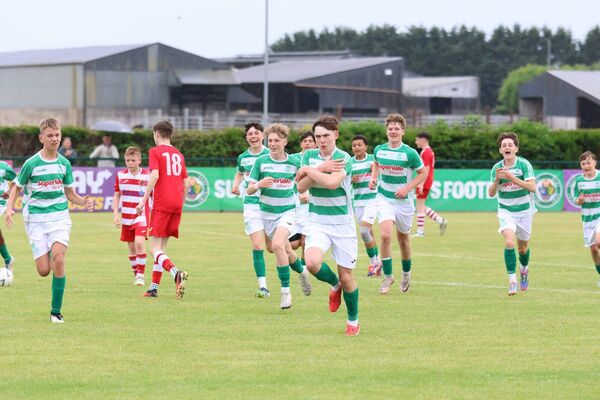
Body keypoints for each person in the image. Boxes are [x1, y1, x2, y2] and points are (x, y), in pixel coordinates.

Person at [5, 118, 94, 323]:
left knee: (59, 260)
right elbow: (16, 187)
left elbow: (70, 194)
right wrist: (10, 208)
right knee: (44, 270)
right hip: (35, 220)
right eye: (50, 135)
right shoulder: (32, 163)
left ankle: (56, 312)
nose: (55, 139)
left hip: (59, 218)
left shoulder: (64, 164)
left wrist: (83, 201)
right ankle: (54, 268)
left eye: (57, 135)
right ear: (41, 138)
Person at [296, 115, 360, 336]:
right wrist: (320, 168)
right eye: (318, 136)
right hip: (317, 221)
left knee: (347, 277)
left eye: (326, 136)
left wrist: (312, 171)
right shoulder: (309, 156)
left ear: (336, 135)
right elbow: (300, 187)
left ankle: (353, 321)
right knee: (312, 263)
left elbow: (332, 184)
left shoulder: (344, 158)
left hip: (343, 225)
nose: (321, 140)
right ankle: (334, 286)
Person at [246, 123, 312, 309]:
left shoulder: (294, 163)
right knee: (286, 251)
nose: (273, 143)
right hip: (266, 214)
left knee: (277, 246)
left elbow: (308, 179)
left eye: (277, 140)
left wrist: (306, 193)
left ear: (285, 141)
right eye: (270, 140)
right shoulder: (261, 162)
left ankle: (285, 292)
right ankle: (303, 271)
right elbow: (249, 190)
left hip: (288, 212)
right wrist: (259, 184)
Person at [370, 114, 427, 295]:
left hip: (404, 202)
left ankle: (406, 274)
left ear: (403, 131)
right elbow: (376, 163)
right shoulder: (379, 149)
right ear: (387, 131)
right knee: (385, 235)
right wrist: (373, 177)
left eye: (396, 128)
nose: (393, 131)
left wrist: (406, 189)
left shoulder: (410, 153)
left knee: (403, 240)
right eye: (390, 129)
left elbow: (422, 173)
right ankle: (388, 277)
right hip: (384, 198)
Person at [135, 120, 189, 299]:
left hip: (162, 202)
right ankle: (153, 288)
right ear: (170, 135)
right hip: (176, 203)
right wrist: (181, 202)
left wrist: (143, 201)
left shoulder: (155, 152)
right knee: (160, 250)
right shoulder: (179, 154)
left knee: (153, 249)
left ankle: (176, 274)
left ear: (156, 134)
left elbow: (155, 175)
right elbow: (186, 182)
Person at [488, 132, 536, 296]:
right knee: (509, 243)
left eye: (510, 145)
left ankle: (524, 270)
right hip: (506, 211)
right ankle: (512, 281)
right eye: (504, 145)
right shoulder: (497, 168)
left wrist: (512, 178)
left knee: (522, 249)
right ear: (500, 150)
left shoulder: (524, 165)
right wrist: (496, 180)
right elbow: (491, 193)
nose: (507, 147)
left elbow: (532, 187)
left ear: (516, 148)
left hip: (524, 212)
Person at [231, 122, 271, 298]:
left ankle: (301, 270)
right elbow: (240, 172)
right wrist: (235, 185)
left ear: (263, 135)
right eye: (249, 134)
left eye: (256, 133)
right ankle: (263, 286)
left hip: (271, 204)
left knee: (274, 247)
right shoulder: (243, 157)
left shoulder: (271, 154)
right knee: (257, 245)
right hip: (251, 204)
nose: (253, 136)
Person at [112, 146, 150, 286]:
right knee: (131, 248)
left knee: (140, 242)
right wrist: (116, 213)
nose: (130, 163)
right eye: (127, 160)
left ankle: (140, 275)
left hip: (141, 216)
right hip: (126, 216)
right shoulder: (121, 175)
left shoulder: (148, 175)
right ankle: (137, 274)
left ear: (139, 160)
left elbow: (154, 194)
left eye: (133, 160)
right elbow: (117, 194)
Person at [350, 135, 381, 276]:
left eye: (359, 145)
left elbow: (380, 171)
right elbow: (342, 179)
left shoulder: (372, 160)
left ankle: (374, 263)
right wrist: (351, 179)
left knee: (363, 231)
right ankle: (377, 261)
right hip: (357, 203)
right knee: (369, 233)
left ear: (365, 147)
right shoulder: (349, 162)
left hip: (372, 201)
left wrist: (375, 173)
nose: (357, 147)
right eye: (354, 145)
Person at [572, 151, 600, 287]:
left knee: (599, 242)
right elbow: (576, 200)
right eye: (583, 163)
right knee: (594, 249)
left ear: (594, 162)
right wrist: (579, 200)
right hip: (588, 219)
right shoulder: (579, 181)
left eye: (588, 162)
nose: (586, 165)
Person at [288, 131, 317, 256]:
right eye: (305, 141)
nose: (307, 144)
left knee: (306, 242)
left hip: (312, 207)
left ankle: (304, 273)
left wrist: (310, 196)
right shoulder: (292, 158)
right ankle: (300, 268)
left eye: (310, 141)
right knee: (292, 245)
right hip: (295, 206)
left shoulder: (319, 159)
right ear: (301, 144)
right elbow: (288, 179)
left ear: (316, 144)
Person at [413, 132, 447, 237]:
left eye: (417, 139)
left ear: (423, 140)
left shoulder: (426, 152)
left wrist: (421, 183)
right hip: (427, 180)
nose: (416, 142)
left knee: (419, 206)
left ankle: (420, 231)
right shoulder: (428, 151)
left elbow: (426, 169)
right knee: (421, 206)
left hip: (425, 181)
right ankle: (440, 220)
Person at [0, 141, 16, 270]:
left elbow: (18, 180)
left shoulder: (3, 167)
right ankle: (7, 258)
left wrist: (9, 192)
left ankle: (7, 258)